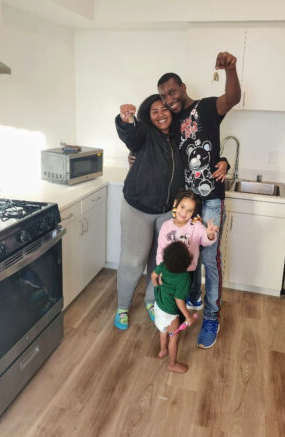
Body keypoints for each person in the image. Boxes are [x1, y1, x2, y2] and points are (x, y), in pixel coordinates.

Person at [155, 51, 241, 349]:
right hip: (187, 203)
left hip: (212, 201)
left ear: (182, 88)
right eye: (164, 96)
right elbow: (151, 141)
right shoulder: (171, 121)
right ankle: (193, 297)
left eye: (172, 92)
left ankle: (212, 317)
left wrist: (231, 69)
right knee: (186, 254)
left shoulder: (206, 108)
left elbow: (232, 97)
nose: (169, 99)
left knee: (209, 259)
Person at [114, 94, 184, 330]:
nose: (161, 114)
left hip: (166, 212)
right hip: (138, 209)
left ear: (172, 112)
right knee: (132, 262)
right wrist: (126, 121)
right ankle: (122, 307)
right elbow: (131, 136)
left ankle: (151, 302)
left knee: (158, 262)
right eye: (154, 111)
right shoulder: (144, 133)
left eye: (164, 109)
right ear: (148, 116)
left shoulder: (177, 139)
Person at [156, 190, 218, 288]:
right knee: (169, 298)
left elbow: (204, 240)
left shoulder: (196, 226)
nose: (184, 213)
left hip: (187, 272)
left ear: (193, 212)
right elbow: (161, 250)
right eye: (182, 207)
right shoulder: (165, 226)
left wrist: (210, 235)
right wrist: (161, 270)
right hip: (168, 271)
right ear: (175, 204)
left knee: (182, 297)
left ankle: (192, 299)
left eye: (190, 210)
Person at [151, 241, 197, 373]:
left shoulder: (163, 266)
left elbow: (153, 276)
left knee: (162, 330)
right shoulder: (184, 278)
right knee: (174, 337)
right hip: (170, 314)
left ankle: (162, 350)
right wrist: (188, 316)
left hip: (158, 304)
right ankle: (172, 364)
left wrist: (156, 286)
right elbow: (179, 300)